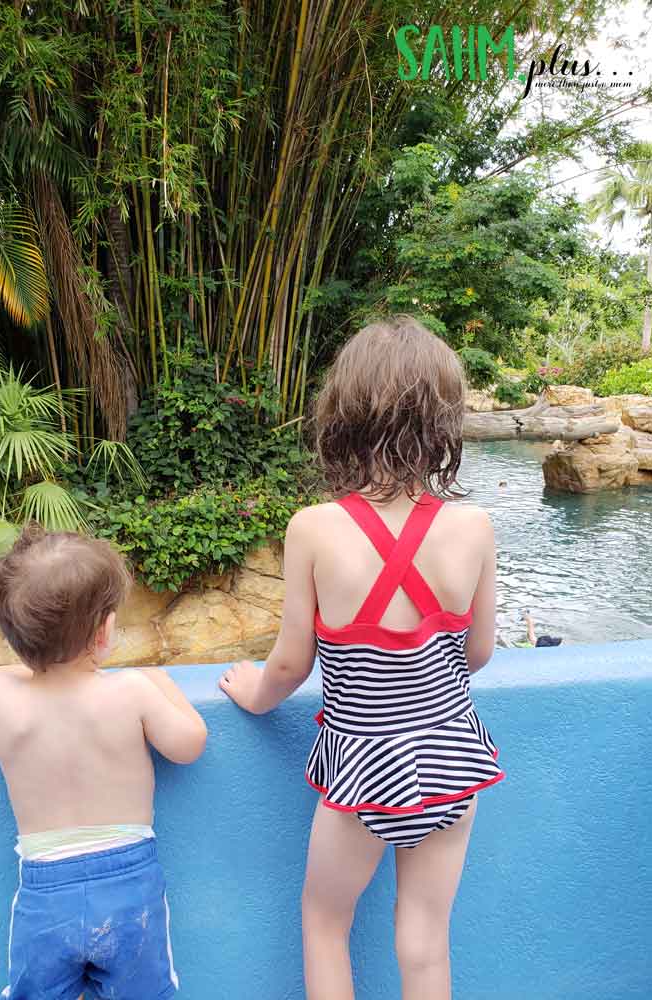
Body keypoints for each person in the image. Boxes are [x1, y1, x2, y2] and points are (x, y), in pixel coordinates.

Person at [219, 315, 504, 1000]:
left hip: (361, 765)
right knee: (424, 941)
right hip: (450, 754)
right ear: (443, 419)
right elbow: (481, 651)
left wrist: (251, 693)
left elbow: (290, 665)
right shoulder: (473, 526)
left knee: (324, 920)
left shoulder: (314, 528)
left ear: (342, 414)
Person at [0, 525, 207, 1000]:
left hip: (45, 889)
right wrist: (162, 682)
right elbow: (190, 743)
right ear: (105, 630)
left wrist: (29, 667)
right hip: (129, 885)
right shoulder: (131, 690)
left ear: (15, 640)